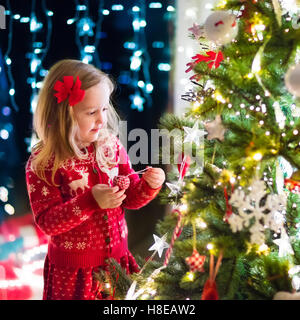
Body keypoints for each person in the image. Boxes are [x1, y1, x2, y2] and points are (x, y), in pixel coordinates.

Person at [25, 59, 165, 300]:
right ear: (63, 117)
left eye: (104, 109)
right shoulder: (45, 162)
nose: (101, 120)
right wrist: (90, 201)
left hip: (116, 266)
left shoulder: (111, 146)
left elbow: (129, 197)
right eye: (91, 112)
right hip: (74, 274)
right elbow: (48, 222)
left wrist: (148, 185)